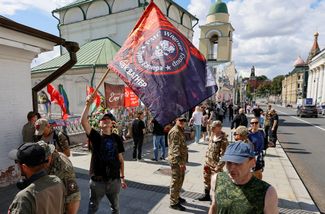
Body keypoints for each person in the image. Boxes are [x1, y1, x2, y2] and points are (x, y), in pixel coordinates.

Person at [81, 95, 127, 214]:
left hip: (114, 180)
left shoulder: (117, 138)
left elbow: (121, 159)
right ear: (99, 124)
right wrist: (87, 105)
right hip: (98, 182)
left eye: (108, 119)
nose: (106, 120)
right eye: (103, 119)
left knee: (116, 208)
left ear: (112, 124)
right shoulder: (95, 137)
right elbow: (83, 121)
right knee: (93, 208)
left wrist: (122, 178)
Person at [208, 142, 278, 214]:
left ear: (253, 162)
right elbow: (214, 206)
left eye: (238, 163)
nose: (232, 168)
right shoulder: (217, 179)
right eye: (229, 162)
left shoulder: (267, 192)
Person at [8, 143, 65, 214]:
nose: (16, 165)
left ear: (24, 167)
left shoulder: (24, 197)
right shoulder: (57, 181)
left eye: (17, 162)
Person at [38, 141, 81, 214]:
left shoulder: (64, 169)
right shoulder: (48, 161)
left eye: (44, 161)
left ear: (50, 156)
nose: (42, 165)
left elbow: (74, 197)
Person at [197, 120, 228, 201]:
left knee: (217, 183)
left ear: (220, 128)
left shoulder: (223, 140)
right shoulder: (212, 136)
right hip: (208, 163)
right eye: (212, 127)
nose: (212, 129)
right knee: (206, 179)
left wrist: (219, 166)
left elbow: (224, 155)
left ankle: (217, 200)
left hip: (216, 166)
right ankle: (207, 195)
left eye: (214, 127)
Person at [168, 116, 188, 211]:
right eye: (180, 120)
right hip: (176, 161)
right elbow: (175, 149)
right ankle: (173, 202)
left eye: (184, 121)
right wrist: (180, 163)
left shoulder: (180, 130)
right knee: (176, 181)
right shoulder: (175, 131)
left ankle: (177, 196)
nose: (182, 122)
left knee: (180, 179)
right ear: (176, 120)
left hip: (180, 160)